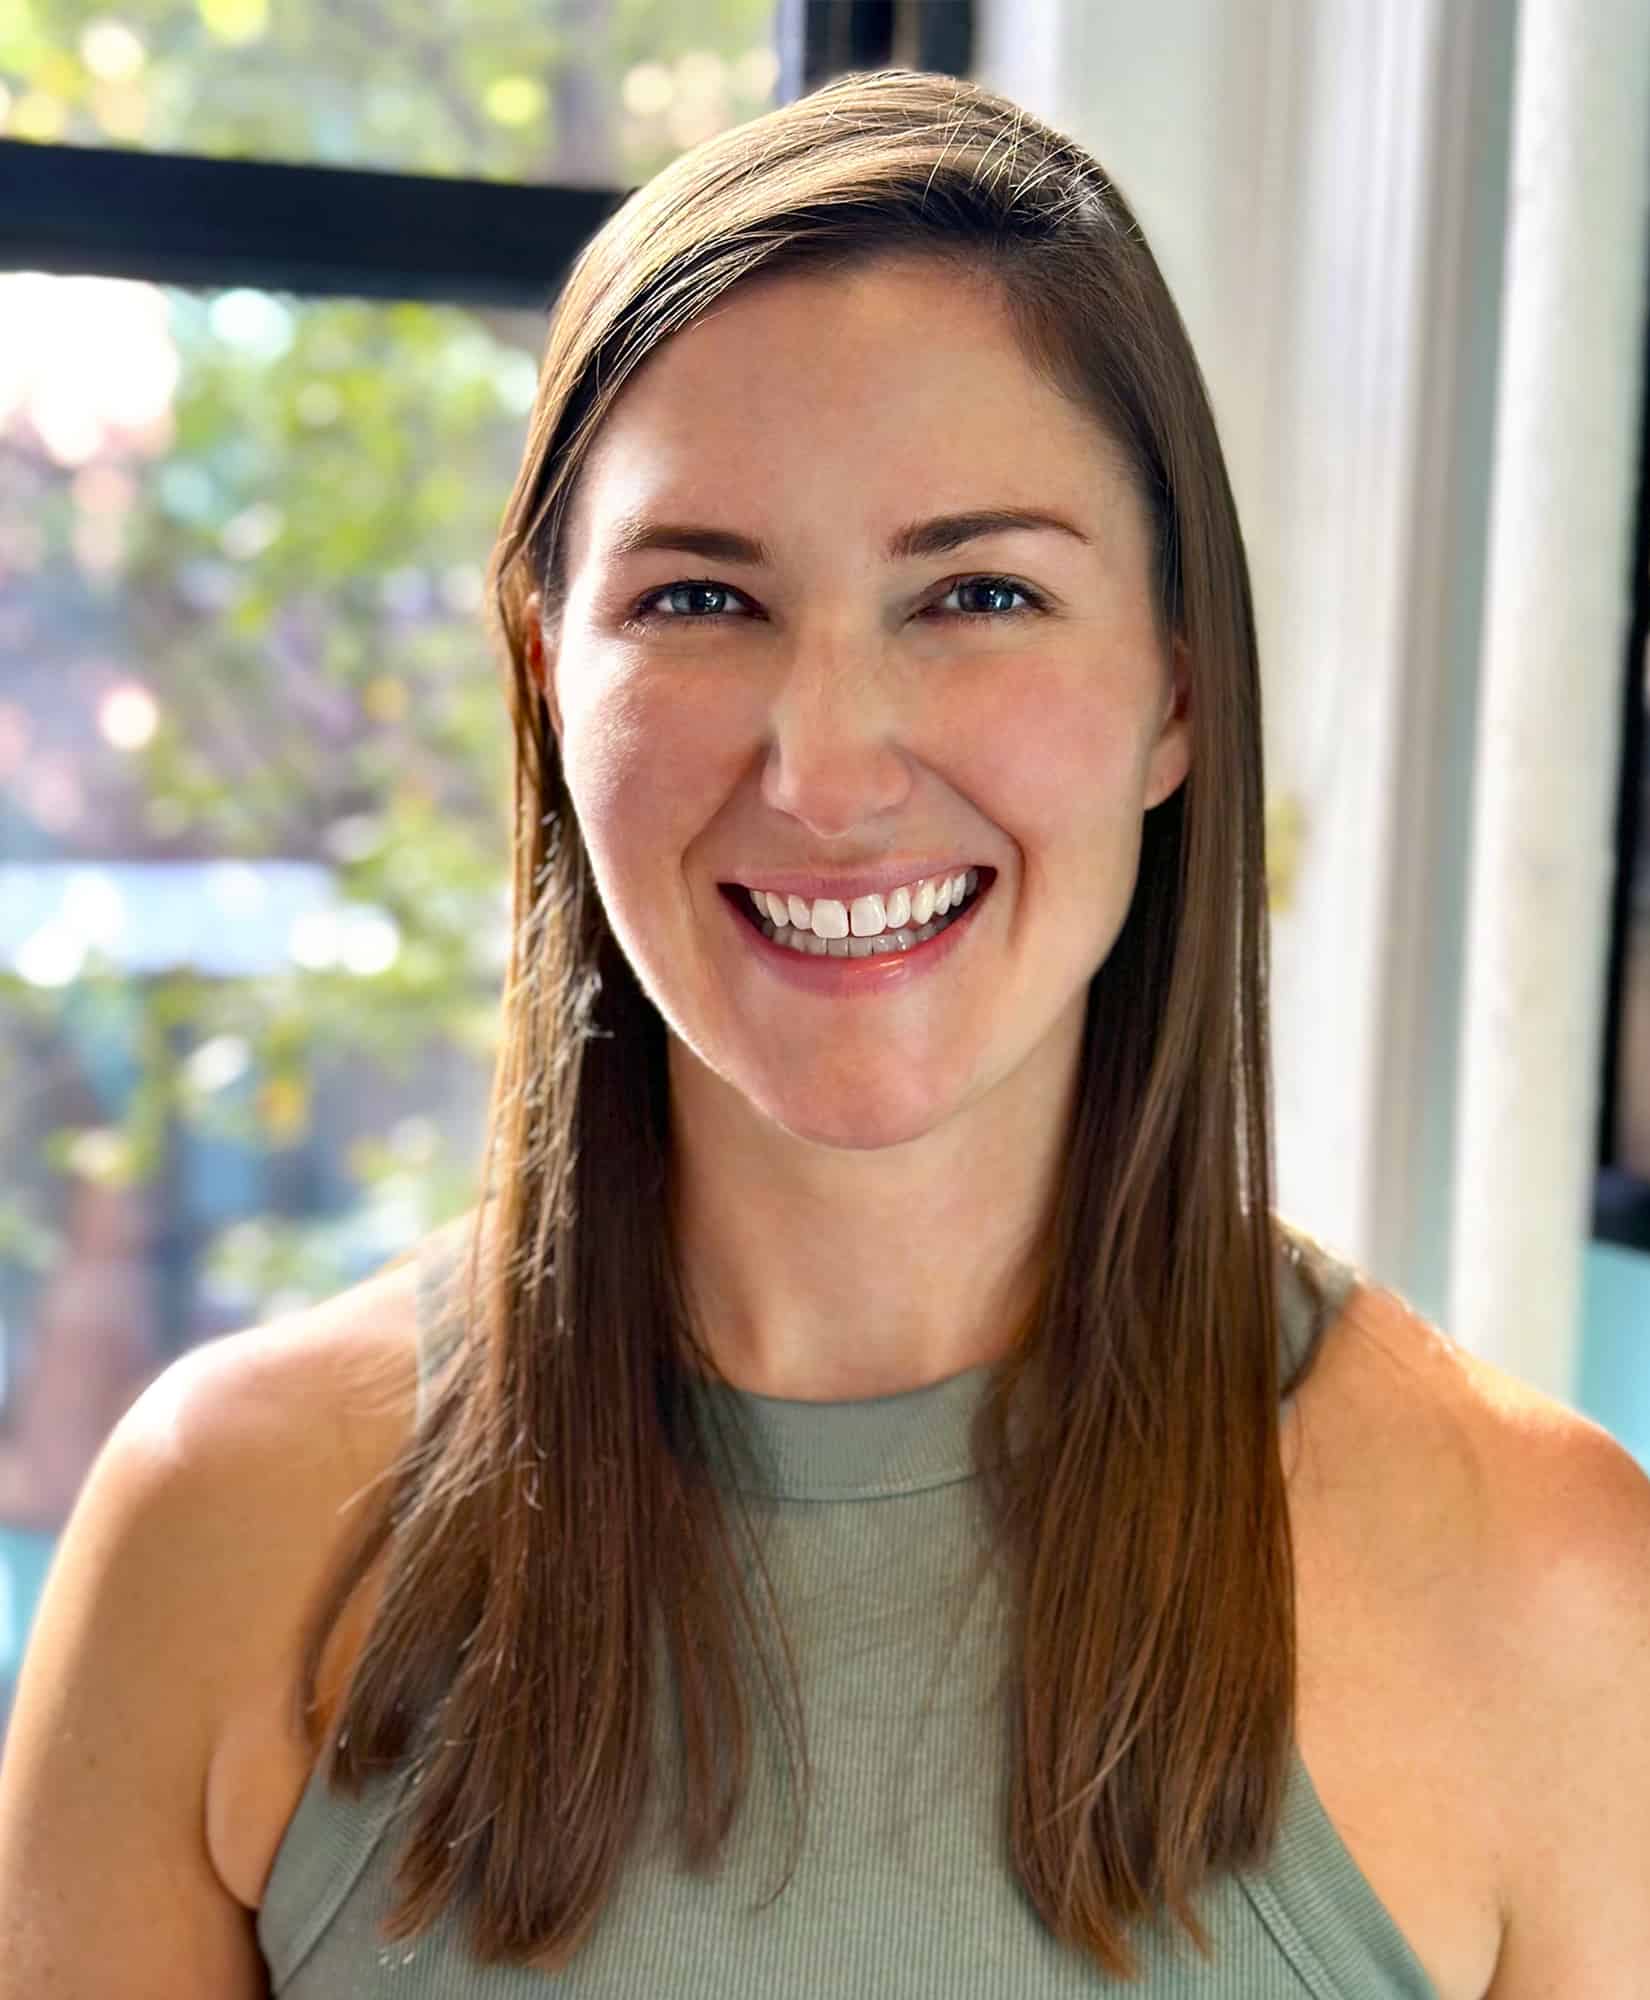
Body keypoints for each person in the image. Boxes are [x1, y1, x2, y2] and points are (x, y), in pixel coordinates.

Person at [2, 66, 1647, 1999]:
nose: (828, 768)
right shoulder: (222, 1533)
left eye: (975, 592)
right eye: (701, 596)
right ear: (547, 678)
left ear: (1177, 692)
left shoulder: (1551, 1592)